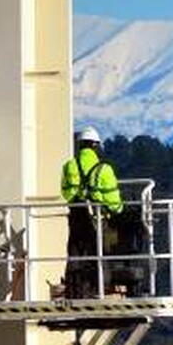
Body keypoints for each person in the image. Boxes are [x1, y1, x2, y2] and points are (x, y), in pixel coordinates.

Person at [60, 126, 122, 296]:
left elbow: (65, 193)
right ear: (96, 146)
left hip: (76, 215)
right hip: (97, 217)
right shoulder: (104, 170)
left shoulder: (69, 166)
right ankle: (98, 288)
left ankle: (74, 289)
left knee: (75, 251)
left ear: (79, 146)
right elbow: (114, 202)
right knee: (99, 251)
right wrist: (118, 210)